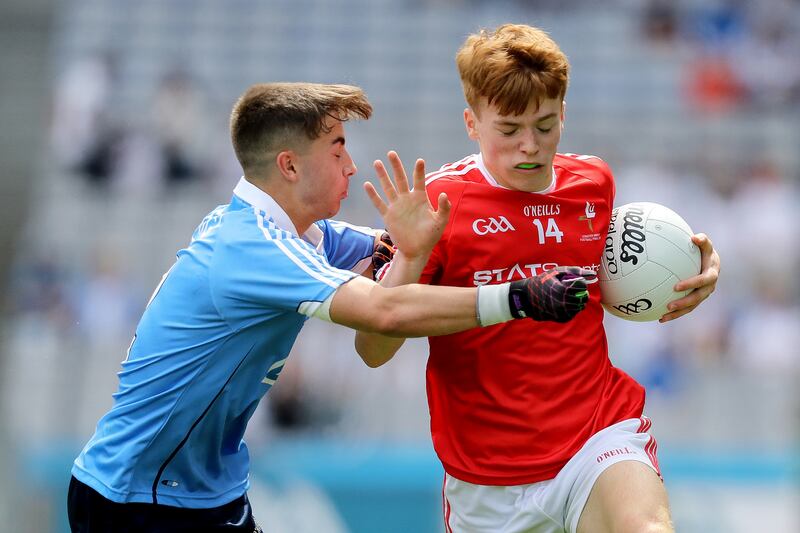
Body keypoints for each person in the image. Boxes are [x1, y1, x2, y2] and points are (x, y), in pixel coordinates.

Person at [67, 81, 596, 533]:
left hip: (207, 490)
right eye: (338, 148)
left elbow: (411, 252)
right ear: (290, 165)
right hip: (137, 495)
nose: (351, 163)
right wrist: (522, 296)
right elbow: (383, 313)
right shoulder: (250, 248)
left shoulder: (299, 233)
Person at [356, 24, 721, 533]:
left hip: (595, 439)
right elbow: (372, 348)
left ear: (563, 115)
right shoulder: (436, 205)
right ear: (472, 123)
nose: (530, 145)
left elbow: (619, 279)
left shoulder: (594, 183)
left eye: (546, 125)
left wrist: (687, 275)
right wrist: (411, 256)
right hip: (486, 482)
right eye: (508, 130)